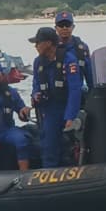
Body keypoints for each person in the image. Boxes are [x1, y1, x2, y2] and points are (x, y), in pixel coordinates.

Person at [29, 26, 83, 167]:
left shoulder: (68, 60)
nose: (35, 46)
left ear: (47, 43)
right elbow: (35, 83)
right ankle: (49, 172)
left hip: (65, 106)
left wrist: (70, 116)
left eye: (38, 43)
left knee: (71, 144)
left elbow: (75, 89)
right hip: (49, 109)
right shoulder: (38, 62)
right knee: (48, 145)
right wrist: (35, 95)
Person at [53, 11, 92, 92]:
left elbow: (89, 74)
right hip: (56, 92)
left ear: (73, 27)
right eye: (61, 25)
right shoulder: (51, 47)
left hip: (77, 91)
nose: (64, 28)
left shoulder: (82, 48)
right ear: (56, 28)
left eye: (67, 25)